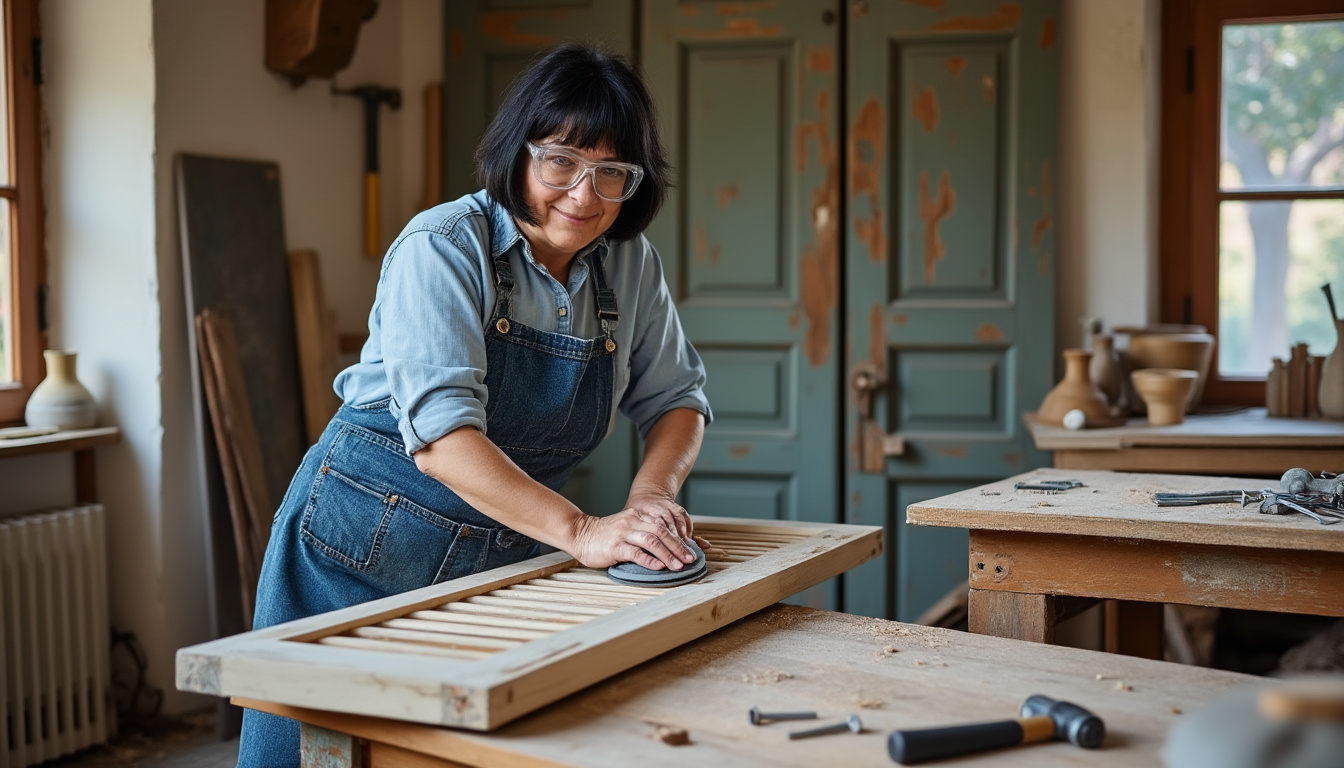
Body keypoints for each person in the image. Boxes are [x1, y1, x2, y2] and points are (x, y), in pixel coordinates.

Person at [237, 44, 712, 767]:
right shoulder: (442, 247)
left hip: (501, 554)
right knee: (313, 754)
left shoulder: (629, 263)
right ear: (517, 154)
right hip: (359, 551)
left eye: (612, 173)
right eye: (561, 162)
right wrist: (582, 531)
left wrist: (650, 496)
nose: (584, 197)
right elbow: (441, 438)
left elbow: (678, 400)